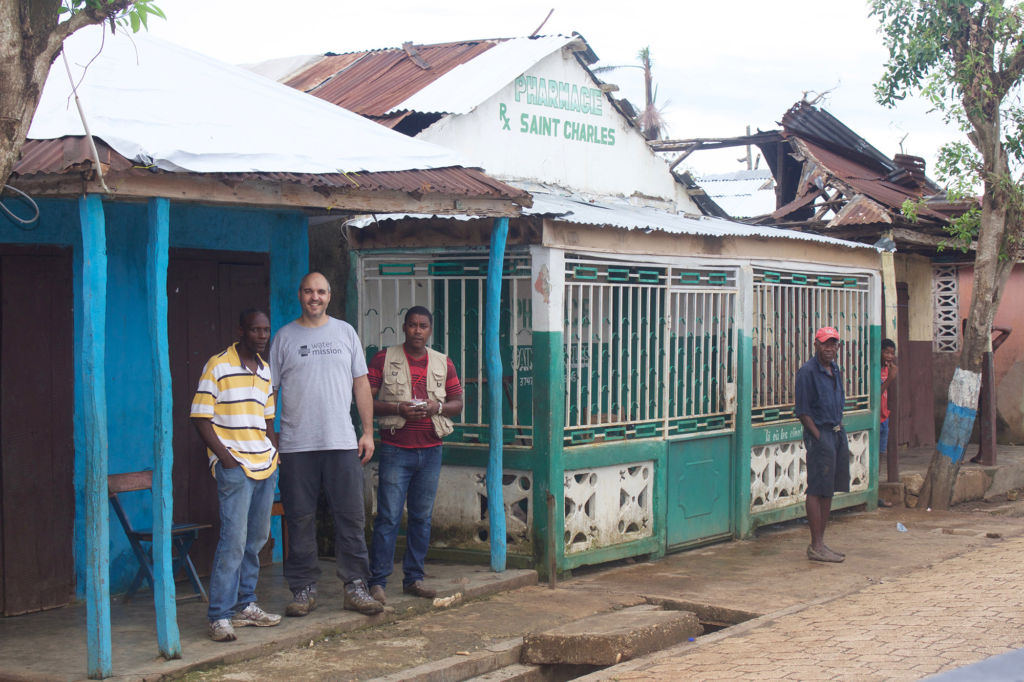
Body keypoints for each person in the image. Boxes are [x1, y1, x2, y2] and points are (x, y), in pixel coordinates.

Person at [270, 272, 382, 617]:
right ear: (299, 295)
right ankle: (303, 590)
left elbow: (361, 384)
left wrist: (367, 431)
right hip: (295, 445)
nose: (314, 297)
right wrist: (268, 435)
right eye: (308, 291)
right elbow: (269, 391)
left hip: (341, 442)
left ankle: (356, 587)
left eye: (320, 291)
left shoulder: (345, 332)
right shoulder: (284, 337)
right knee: (300, 519)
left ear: (329, 296)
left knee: (350, 516)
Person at [190, 309, 282, 642]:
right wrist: (225, 459)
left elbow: (268, 419)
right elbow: (200, 417)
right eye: (256, 330)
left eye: (266, 330)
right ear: (240, 330)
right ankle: (219, 615)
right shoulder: (218, 365)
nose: (262, 336)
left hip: (265, 466)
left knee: (256, 539)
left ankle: (245, 604)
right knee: (233, 541)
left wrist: (274, 451)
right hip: (236, 468)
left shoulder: (264, 370)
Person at [367, 306, 463, 604]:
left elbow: (458, 402)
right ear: (404, 327)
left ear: (430, 330)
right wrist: (397, 408)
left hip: (431, 450)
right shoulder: (384, 358)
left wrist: (439, 408)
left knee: (421, 518)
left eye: (423, 326)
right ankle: (378, 582)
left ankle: (414, 579)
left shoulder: (442, 362)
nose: (417, 331)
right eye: (412, 325)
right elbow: (365, 400)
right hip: (396, 448)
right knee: (388, 518)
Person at [795, 326, 851, 563]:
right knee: (817, 489)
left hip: (836, 432)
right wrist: (818, 436)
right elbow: (803, 411)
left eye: (834, 344)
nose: (830, 348)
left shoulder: (835, 369)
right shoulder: (807, 372)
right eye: (825, 344)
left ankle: (821, 543)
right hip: (820, 434)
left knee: (829, 488)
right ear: (816, 345)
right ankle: (816, 544)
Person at [877, 338, 898, 507]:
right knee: (874, 456)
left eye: (892, 353)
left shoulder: (887, 368)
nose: (890, 356)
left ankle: (876, 491)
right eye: (887, 352)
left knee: (880, 456)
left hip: (884, 417)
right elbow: (877, 393)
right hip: (876, 418)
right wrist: (890, 379)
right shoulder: (876, 369)